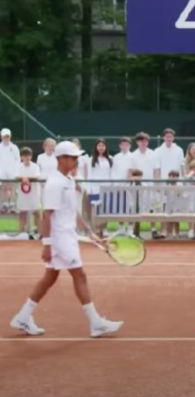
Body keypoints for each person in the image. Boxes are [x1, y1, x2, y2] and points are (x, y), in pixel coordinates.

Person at [9, 141, 123, 338]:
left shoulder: (69, 181)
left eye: (77, 157)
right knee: (80, 276)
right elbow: (47, 215)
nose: (76, 161)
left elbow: (73, 213)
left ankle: (23, 316)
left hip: (67, 236)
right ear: (62, 159)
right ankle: (96, 323)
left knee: (50, 277)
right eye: (73, 157)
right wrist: (46, 245)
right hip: (59, 239)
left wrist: (91, 233)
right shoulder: (54, 183)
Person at [131, 132, 161, 239]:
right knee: (137, 208)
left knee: (152, 208)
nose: (143, 143)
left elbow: (156, 170)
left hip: (150, 186)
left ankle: (153, 230)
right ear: (137, 142)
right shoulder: (133, 155)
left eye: (145, 141)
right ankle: (136, 231)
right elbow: (131, 172)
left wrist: (156, 184)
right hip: (138, 187)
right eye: (141, 141)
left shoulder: (153, 154)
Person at [87, 139, 113, 236]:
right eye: (99, 146)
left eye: (103, 146)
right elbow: (89, 175)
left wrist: (111, 187)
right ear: (96, 147)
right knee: (96, 210)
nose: (101, 148)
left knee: (105, 209)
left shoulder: (110, 159)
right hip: (95, 189)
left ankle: (104, 228)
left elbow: (111, 174)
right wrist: (89, 189)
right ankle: (96, 229)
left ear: (105, 147)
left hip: (106, 189)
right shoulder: (91, 159)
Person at [110, 137, 133, 235]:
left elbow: (131, 172)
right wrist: (116, 186)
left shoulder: (132, 157)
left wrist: (125, 185)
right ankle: (121, 228)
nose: (124, 146)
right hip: (117, 187)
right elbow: (113, 172)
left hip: (129, 187)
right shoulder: (116, 157)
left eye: (126, 144)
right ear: (120, 146)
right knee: (119, 208)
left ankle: (130, 229)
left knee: (131, 208)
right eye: (123, 144)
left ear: (130, 146)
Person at [17, 147, 41, 237]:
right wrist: (23, 178)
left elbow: (37, 176)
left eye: (28, 155)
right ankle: (21, 234)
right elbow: (16, 176)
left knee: (37, 213)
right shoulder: (18, 166)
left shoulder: (35, 166)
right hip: (22, 194)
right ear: (21, 157)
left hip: (34, 193)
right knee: (22, 213)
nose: (27, 157)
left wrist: (26, 178)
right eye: (24, 155)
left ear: (31, 156)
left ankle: (39, 233)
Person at [0, 128, 21, 213]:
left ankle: (12, 205)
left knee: (12, 188)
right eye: (4, 136)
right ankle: (3, 205)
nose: (6, 138)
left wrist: (16, 171)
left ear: (10, 136)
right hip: (1, 171)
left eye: (7, 136)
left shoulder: (14, 147)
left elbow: (18, 159)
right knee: (3, 188)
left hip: (12, 171)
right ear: (1, 136)